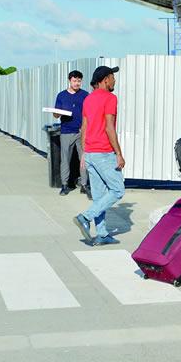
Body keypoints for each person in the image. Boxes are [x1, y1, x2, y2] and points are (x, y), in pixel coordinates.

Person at [74, 66, 124, 246]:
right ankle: (85, 217)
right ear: (105, 80)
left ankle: (102, 234)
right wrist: (119, 153)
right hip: (104, 152)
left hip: (90, 153)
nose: (114, 81)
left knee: (99, 196)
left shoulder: (88, 99)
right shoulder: (110, 98)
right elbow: (109, 127)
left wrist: (84, 153)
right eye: (112, 77)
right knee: (118, 190)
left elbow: (84, 127)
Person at [53, 70, 89, 196]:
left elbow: (89, 113)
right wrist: (58, 113)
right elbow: (55, 114)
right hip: (66, 131)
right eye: (74, 80)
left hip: (81, 132)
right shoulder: (61, 95)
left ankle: (84, 185)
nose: (77, 83)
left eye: (79, 81)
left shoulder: (85, 95)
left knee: (83, 159)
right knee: (65, 159)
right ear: (69, 80)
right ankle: (64, 185)